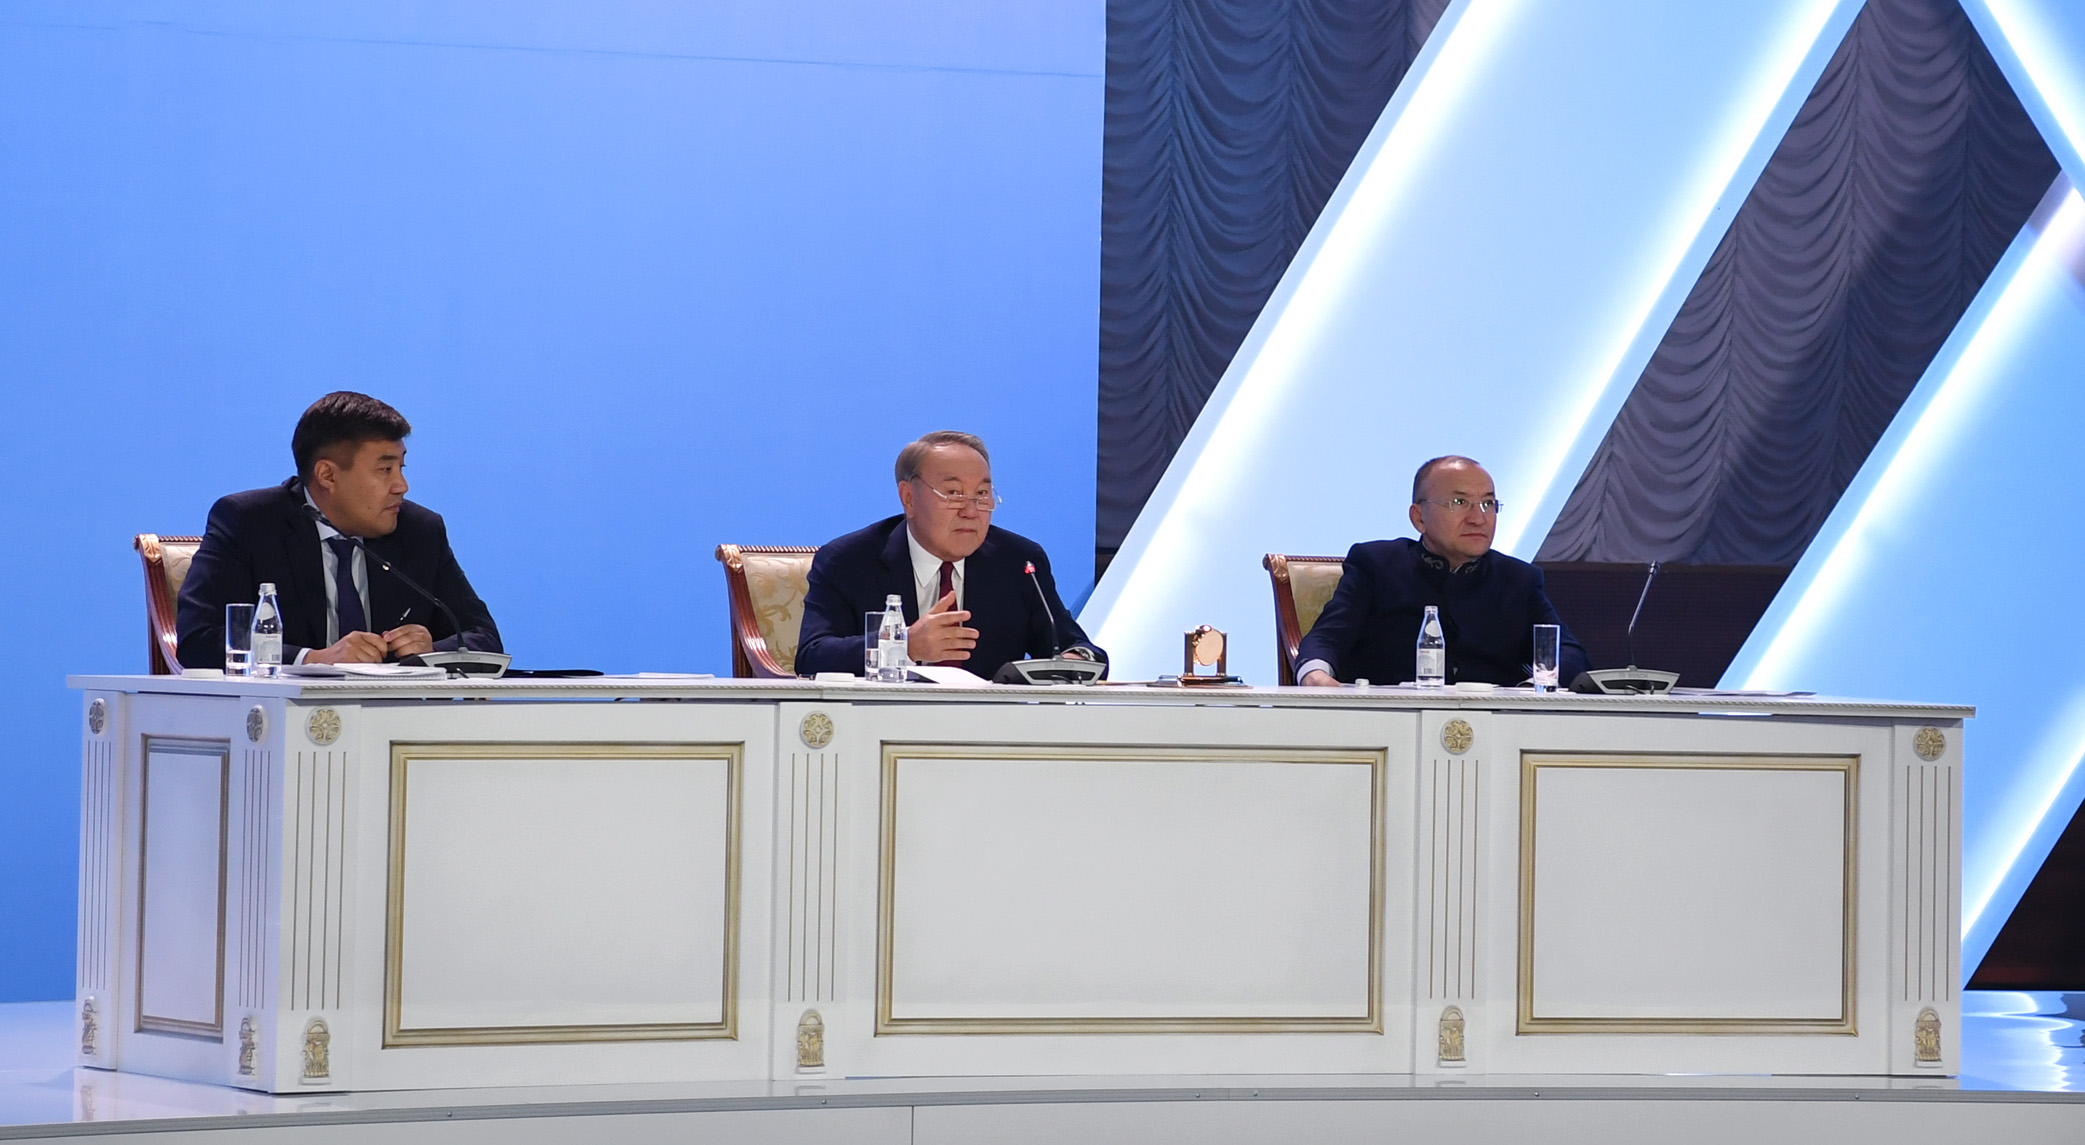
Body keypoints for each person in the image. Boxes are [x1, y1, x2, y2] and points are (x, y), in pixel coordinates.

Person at [175, 392, 502, 669]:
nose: (401, 485)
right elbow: (199, 640)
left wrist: (432, 650)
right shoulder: (249, 522)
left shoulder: (420, 530)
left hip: (391, 718)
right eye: (385, 469)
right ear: (327, 475)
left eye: (401, 467)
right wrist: (312, 659)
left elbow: (484, 638)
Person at [794, 430, 1103, 679]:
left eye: (981, 494)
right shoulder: (848, 560)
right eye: (953, 493)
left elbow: (1075, 647)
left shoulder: (1018, 561)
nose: (971, 511)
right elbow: (812, 656)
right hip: (882, 726)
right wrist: (904, 645)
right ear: (908, 498)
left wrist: (1075, 660)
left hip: (990, 729)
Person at [1296, 455, 1587, 687]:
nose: (1478, 518)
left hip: (1495, 725)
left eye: (1488, 503)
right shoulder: (1376, 564)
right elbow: (1327, 637)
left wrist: (1529, 690)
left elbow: (1568, 654)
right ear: (1418, 517)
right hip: (1391, 723)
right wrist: (1315, 675)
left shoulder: (1518, 579)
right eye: (1460, 503)